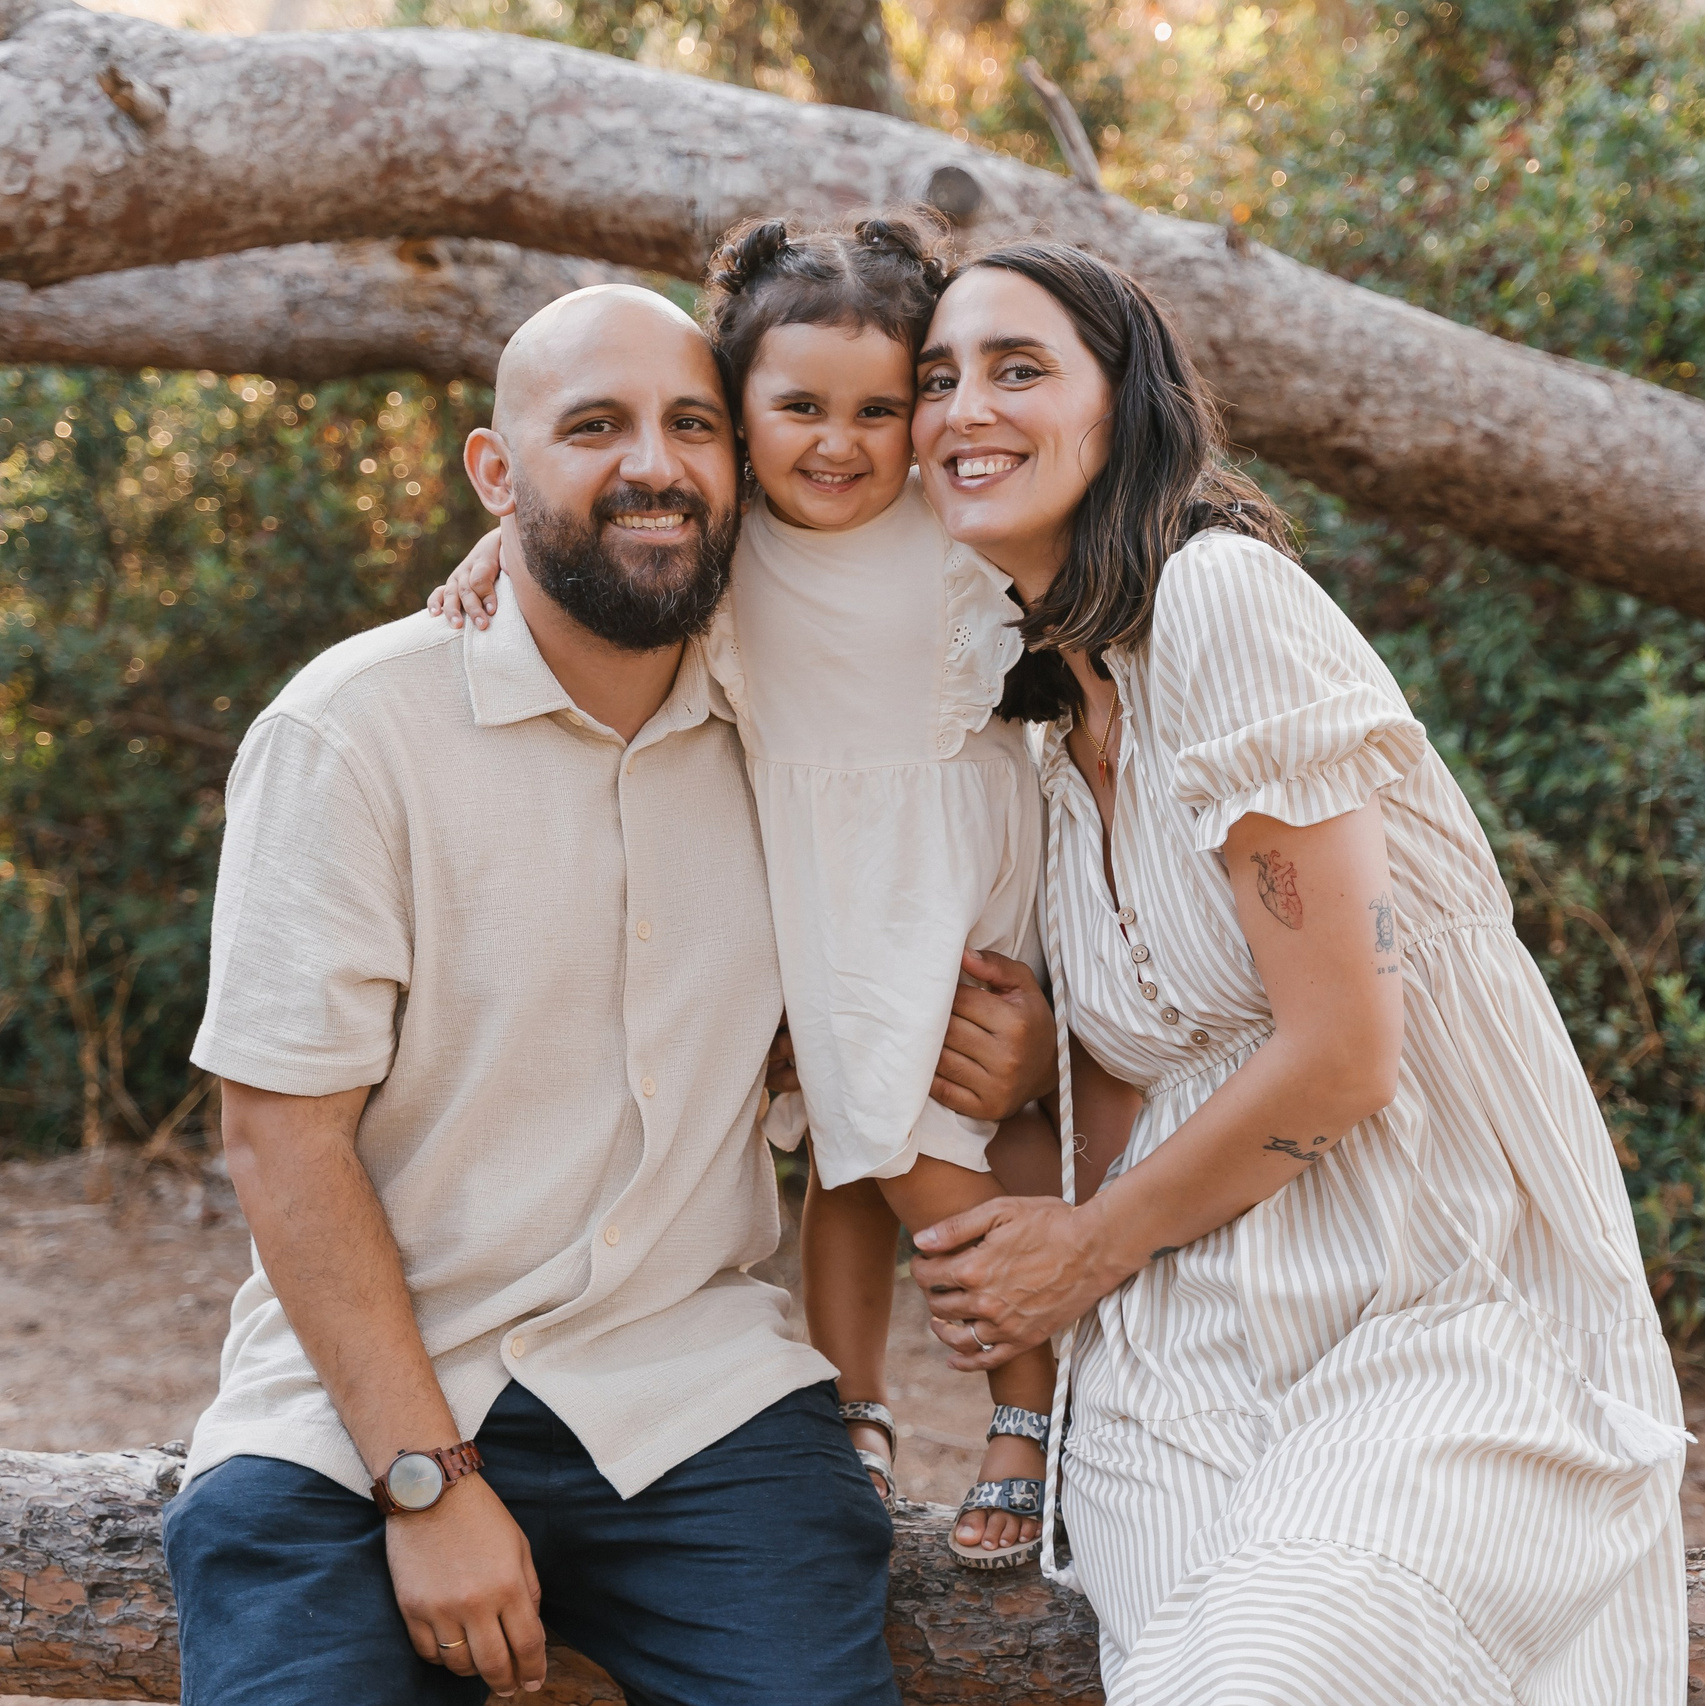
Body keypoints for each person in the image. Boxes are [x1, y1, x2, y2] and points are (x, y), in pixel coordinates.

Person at [163, 282, 974, 1706]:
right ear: (496, 472)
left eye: (692, 426)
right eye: (594, 427)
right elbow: (281, 1142)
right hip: (355, 1409)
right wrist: (423, 1479)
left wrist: (1000, 1041)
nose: (654, 464)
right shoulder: (350, 734)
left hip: (693, 1390)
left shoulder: (803, 729)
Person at [902, 241, 1689, 1703]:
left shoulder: (1221, 604)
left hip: (1426, 1292)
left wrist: (1082, 1248)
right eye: (935, 380)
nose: (964, 409)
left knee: (1272, 1669)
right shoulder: (1042, 731)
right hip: (1176, 1357)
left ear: (1121, 406)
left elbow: (1343, 1055)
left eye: (1018, 369)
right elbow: (1150, 1074)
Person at [428, 214, 1076, 1569]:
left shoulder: (950, 522)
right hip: (828, 891)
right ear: (736, 416)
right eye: (798, 410)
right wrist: (496, 549)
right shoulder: (730, 554)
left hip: (960, 871)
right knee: (850, 1152)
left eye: (876, 410)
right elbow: (587, 554)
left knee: (963, 1138)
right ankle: (857, 1406)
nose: (838, 443)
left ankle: (1029, 1414)